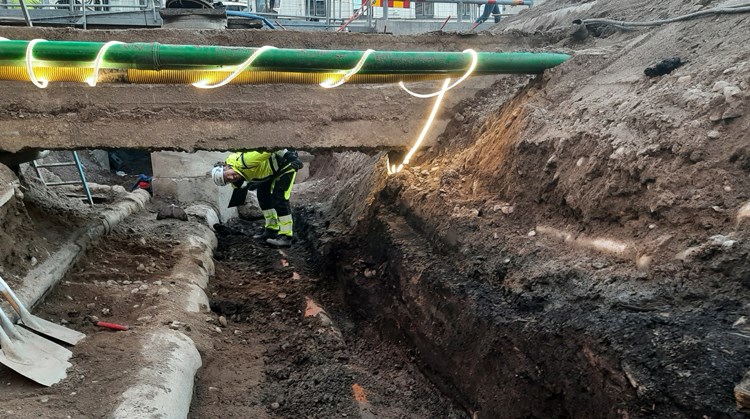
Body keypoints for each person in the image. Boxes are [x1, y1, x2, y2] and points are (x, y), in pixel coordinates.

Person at [211, 149, 303, 247]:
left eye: (227, 174)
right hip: (270, 171)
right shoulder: (236, 176)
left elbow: (270, 148)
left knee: (279, 198)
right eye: (227, 180)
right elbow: (238, 185)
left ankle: (286, 236)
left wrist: (291, 157)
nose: (231, 178)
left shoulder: (246, 160)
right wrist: (246, 185)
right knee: (263, 196)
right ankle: (272, 229)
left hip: (285, 163)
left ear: (227, 166)